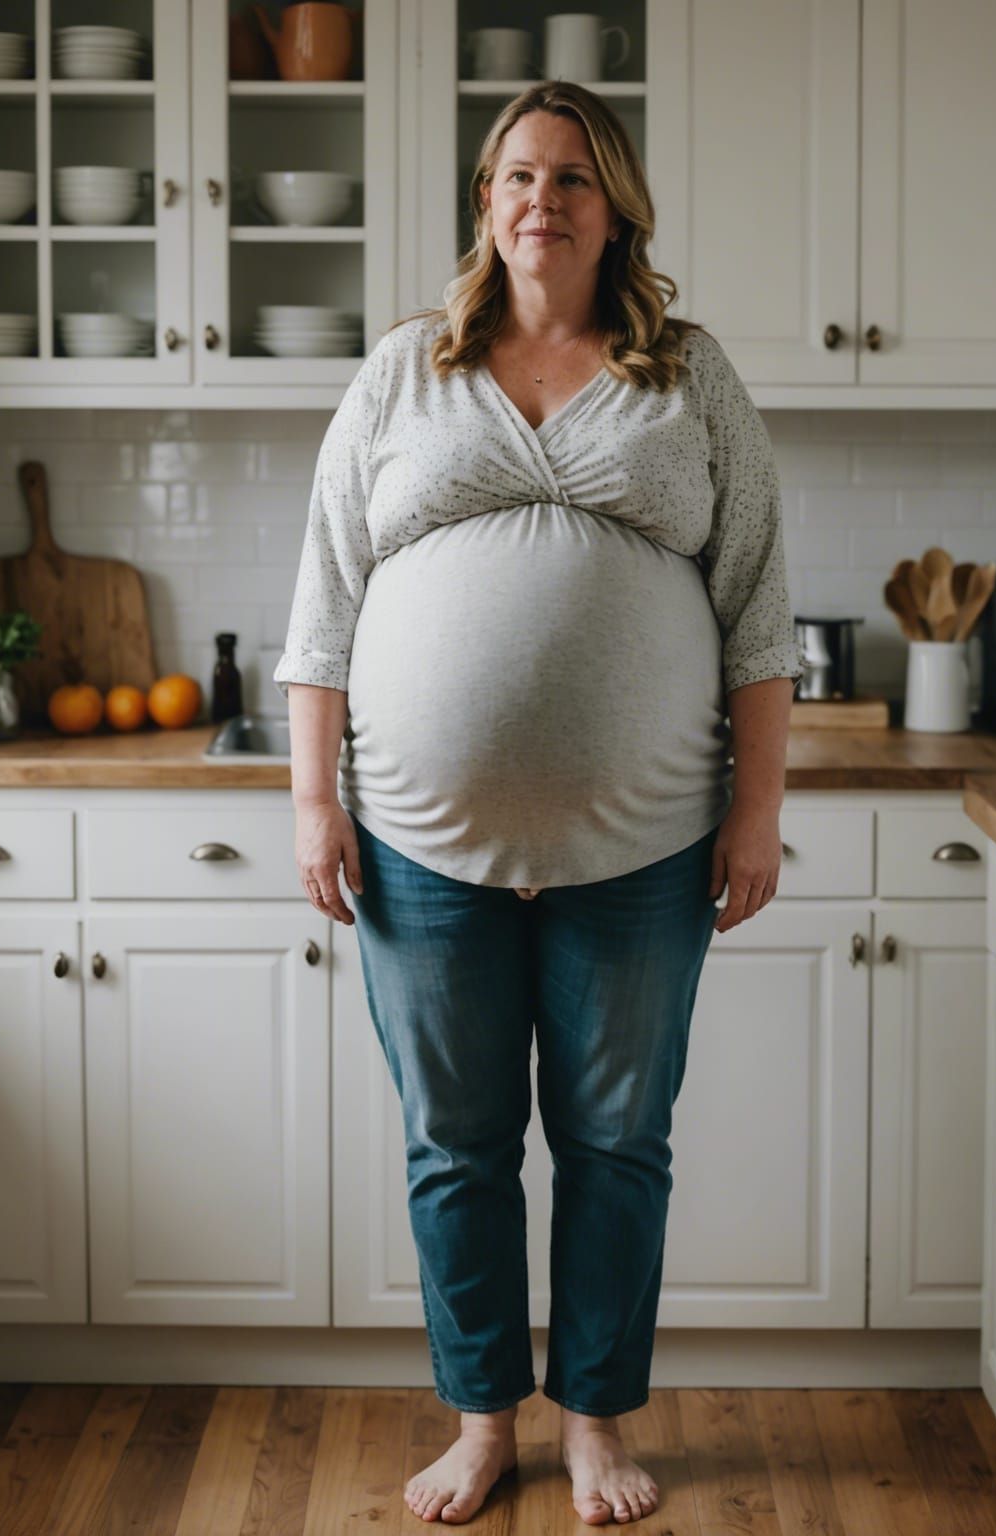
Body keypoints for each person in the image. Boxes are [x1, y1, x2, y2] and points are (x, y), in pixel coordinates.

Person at [274, 79, 804, 1527]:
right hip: (418, 846)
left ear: (614, 205)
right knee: (456, 1146)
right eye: (516, 175)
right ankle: (480, 1421)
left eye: (570, 176)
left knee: (617, 1145)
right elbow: (323, 608)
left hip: (641, 847)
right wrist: (313, 803)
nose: (541, 201)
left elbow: (760, 617)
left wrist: (756, 816)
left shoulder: (689, 375)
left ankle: (597, 1426)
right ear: (485, 202)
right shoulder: (402, 372)